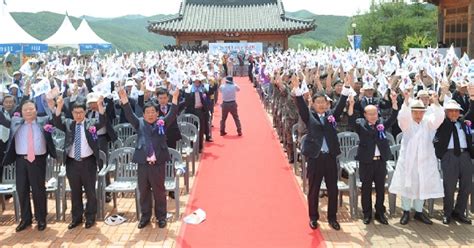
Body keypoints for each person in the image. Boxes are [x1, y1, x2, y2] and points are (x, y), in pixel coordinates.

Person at [293, 73, 352, 231]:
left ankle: (332, 217)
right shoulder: (309, 116)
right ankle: (313, 217)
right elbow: (300, 105)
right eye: (317, 102)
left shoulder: (331, 116)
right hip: (315, 158)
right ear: (313, 104)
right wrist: (297, 89)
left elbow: (340, 104)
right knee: (314, 189)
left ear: (327, 104)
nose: (320, 105)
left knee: (333, 188)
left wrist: (346, 87)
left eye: (323, 102)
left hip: (330, 158)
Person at [118, 87, 180, 229]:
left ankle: (161, 217)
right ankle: (145, 217)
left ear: (157, 113)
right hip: (143, 165)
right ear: (144, 114)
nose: (151, 115)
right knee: (144, 191)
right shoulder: (139, 123)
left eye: (153, 112)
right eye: (148, 112)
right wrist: (124, 99)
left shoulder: (162, 122)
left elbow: (173, 113)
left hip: (158, 165)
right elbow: (129, 114)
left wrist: (175, 98)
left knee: (159, 192)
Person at [389, 90, 445, 225]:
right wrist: (407, 100)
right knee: (407, 185)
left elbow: (439, 118)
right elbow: (402, 117)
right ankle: (406, 212)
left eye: (421, 112)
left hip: (425, 160)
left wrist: (436, 102)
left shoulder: (428, 123)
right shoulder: (407, 124)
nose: (418, 115)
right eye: (415, 112)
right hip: (409, 161)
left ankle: (419, 211)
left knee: (422, 185)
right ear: (411, 112)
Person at [1, 100, 57, 232]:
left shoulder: (44, 121)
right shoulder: (15, 122)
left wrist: (54, 107)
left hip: (38, 161)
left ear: (36, 110)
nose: (28, 112)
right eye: (25, 110)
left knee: (38, 190)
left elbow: (56, 119)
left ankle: (41, 218)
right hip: (20, 161)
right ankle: (25, 219)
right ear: (21, 112)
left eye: (31, 109)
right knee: (22, 190)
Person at [51, 96, 106, 229]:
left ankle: (90, 217)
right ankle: (76, 218)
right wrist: (58, 106)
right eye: (75, 112)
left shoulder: (91, 123)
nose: (78, 115)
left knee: (90, 192)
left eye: (81, 112)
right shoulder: (70, 124)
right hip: (72, 163)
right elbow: (57, 121)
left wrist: (99, 105)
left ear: (85, 112)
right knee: (75, 192)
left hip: (88, 163)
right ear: (72, 113)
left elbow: (103, 121)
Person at [348, 88, 399, 225]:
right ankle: (367, 213)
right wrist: (351, 105)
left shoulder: (381, 123)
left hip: (380, 161)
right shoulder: (361, 124)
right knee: (366, 188)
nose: (373, 116)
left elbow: (393, 118)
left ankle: (380, 212)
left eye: (375, 113)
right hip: (366, 161)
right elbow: (351, 121)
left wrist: (394, 103)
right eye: (370, 114)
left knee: (381, 188)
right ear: (365, 114)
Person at [434, 96, 474, 225]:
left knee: (466, 185)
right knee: (449, 187)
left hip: (464, 155)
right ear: (446, 112)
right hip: (449, 156)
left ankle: (459, 212)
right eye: (451, 110)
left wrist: (472, 98)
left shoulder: (462, 122)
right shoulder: (442, 123)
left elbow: (470, 112)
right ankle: (447, 213)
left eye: (456, 111)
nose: (454, 113)